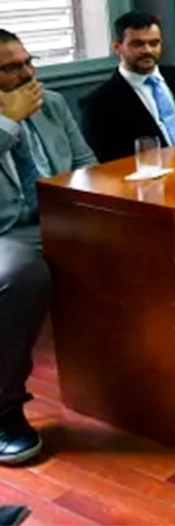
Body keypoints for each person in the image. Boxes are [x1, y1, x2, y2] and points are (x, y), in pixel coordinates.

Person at [0, 30, 96, 465]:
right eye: (10, 68)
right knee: (21, 272)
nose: (27, 74)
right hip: (6, 234)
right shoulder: (18, 111)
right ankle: (5, 410)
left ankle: (143, 377)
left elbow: (84, 163)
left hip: (59, 218)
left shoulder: (51, 103)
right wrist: (9, 122)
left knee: (143, 242)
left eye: (27, 62)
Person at [81, 12, 175, 162]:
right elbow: (108, 162)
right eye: (137, 44)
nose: (148, 50)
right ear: (117, 47)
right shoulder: (99, 102)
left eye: (154, 43)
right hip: (149, 178)